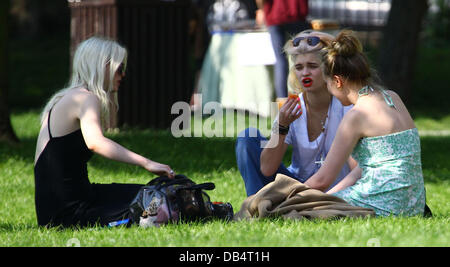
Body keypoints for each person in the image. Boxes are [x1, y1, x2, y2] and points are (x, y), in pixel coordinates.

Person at [34, 36, 175, 228]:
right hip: (67, 215)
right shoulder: (84, 98)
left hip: (76, 200)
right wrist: (146, 162)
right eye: (119, 69)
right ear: (102, 66)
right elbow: (96, 142)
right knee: (156, 204)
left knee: (154, 194)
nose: (122, 75)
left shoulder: (69, 97)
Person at [304, 30, 426, 216]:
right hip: (413, 205)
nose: (328, 90)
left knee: (299, 212)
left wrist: (287, 195)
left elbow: (322, 179)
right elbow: (371, 166)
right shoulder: (393, 97)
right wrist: (330, 197)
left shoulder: (357, 115)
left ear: (337, 81)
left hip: (383, 203)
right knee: (323, 205)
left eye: (327, 84)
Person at [235, 30, 357, 196]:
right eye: (299, 67)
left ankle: (276, 205)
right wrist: (282, 126)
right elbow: (267, 168)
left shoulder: (347, 106)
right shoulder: (292, 107)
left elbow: (356, 171)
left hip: (333, 190)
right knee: (247, 137)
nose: (304, 73)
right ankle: (257, 207)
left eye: (313, 66)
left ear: (329, 68)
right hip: (296, 187)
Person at [255, 0, 310, 99]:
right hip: (296, 13)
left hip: (275, 15)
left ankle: (282, 102)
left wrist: (261, 9)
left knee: (281, 62)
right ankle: (305, 99)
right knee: (304, 60)